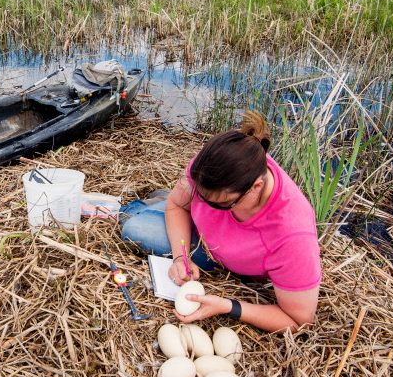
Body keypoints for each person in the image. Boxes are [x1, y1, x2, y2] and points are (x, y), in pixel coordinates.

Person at [121, 111, 320, 332]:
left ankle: (155, 201)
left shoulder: (292, 233)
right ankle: (161, 199)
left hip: (220, 253)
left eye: (220, 204)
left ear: (256, 187)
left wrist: (229, 307)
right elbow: (178, 205)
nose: (207, 205)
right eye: (201, 197)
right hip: (201, 231)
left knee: (133, 226)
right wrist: (180, 257)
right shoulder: (215, 162)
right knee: (131, 223)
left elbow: (300, 319)